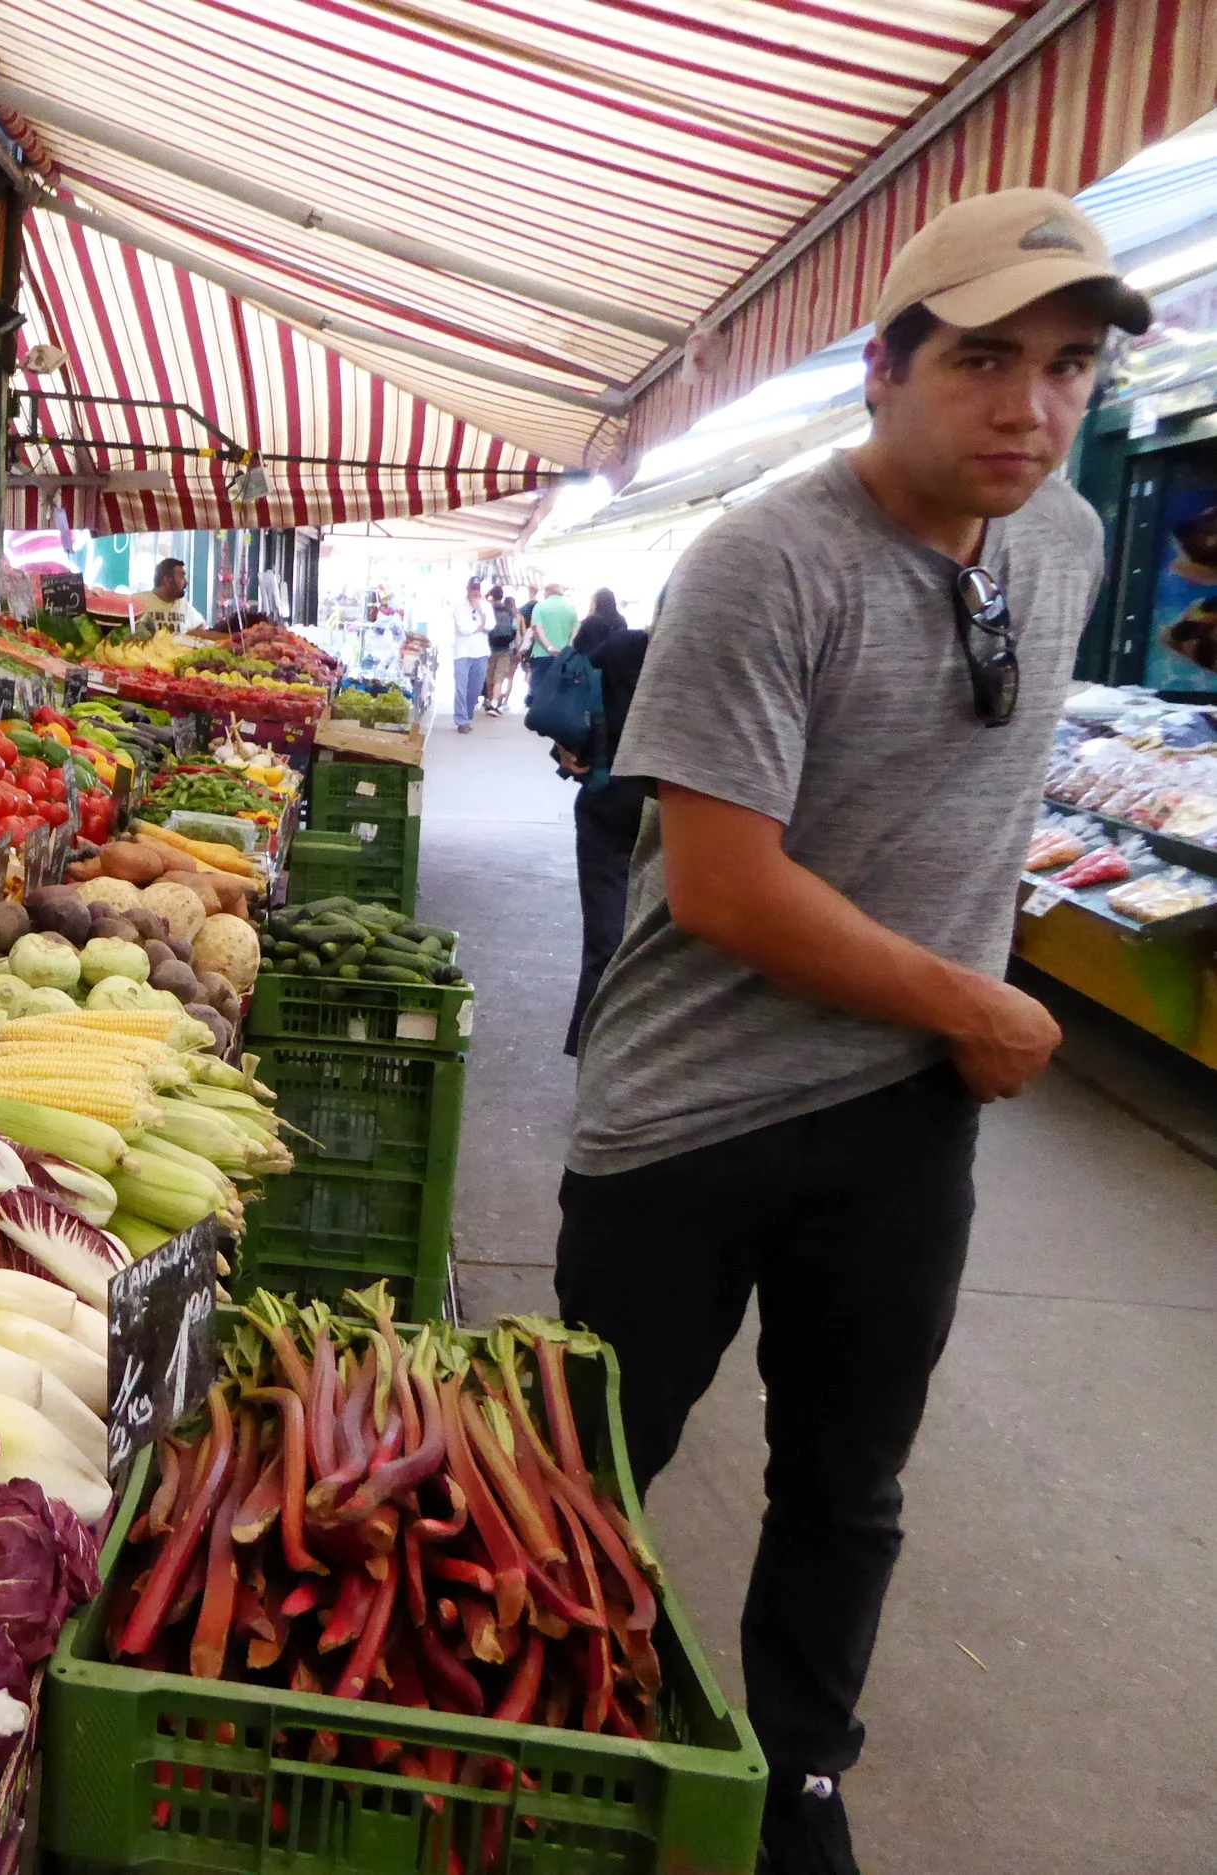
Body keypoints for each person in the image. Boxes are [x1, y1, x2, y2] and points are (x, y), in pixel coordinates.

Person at [558, 188, 1148, 1875]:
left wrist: (962, 992)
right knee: (600, 1464)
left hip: (902, 1121)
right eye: (981, 360)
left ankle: (802, 1777)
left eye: (1068, 368)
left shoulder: (1068, 540)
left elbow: (983, 792)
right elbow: (729, 889)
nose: (1028, 407)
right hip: (689, 1122)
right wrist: (973, 997)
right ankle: (557, 1725)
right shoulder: (765, 559)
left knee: (848, 1482)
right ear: (886, 367)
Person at [559, 588, 648, 1054]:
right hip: (643, 814)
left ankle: (602, 1056)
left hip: (617, 807)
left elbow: (561, 695)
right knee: (627, 942)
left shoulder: (620, 648)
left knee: (611, 941)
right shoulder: (629, 649)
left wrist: (566, 746)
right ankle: (611, 1058)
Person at [448, 577, 493, 731]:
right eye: (472, 588)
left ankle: (467, 714)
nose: (474, 591)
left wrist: (479, 610)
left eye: (477, 588)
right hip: (462, 652)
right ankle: (462, 720)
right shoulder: (459, 606)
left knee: (475, 687)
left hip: (481, 652)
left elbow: (490, 625)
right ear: (467, 588)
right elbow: (463, 629)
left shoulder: (486, 606)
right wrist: (479, 628)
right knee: (461, 687)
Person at [137, 556, 202, 633]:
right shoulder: (138, 601)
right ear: (167, 580)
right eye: (182, 576)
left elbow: (200, 625)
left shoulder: (183, 604)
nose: (186, 582)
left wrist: (187, 639)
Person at [485, 583, 521, 713]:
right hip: (505, 648)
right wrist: (517, 649)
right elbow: (515, 631)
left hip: (489, 647)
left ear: (491, 596)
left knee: (489, 676)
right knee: (499, 677)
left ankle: (490, 701)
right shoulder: (510, 611)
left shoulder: (487, 609)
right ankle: (494, 704)